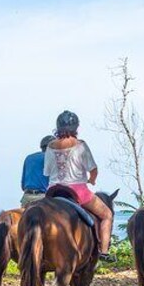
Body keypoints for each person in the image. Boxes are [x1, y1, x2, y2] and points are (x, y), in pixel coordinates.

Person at [44, 110, 115, 262]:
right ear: (76, 127)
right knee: (107, 215)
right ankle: (104, 252)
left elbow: (47, 171)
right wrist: (92, 180)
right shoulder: (81, 145)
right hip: (78, 190)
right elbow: (93, 169)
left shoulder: (50, 146)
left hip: (53, 191)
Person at [20, 135, 54, 206]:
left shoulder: (29, 158)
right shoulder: (51, 158)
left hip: (27, 197)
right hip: (42, 198)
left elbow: (23, 185)